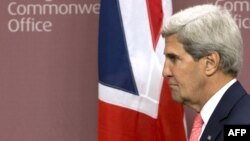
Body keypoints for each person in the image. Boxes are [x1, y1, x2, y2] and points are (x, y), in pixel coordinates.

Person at [161, 4, 250, 141]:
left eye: (174, 58)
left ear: (210, 63)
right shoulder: (211, 122)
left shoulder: (242, 125)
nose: (165, 72)